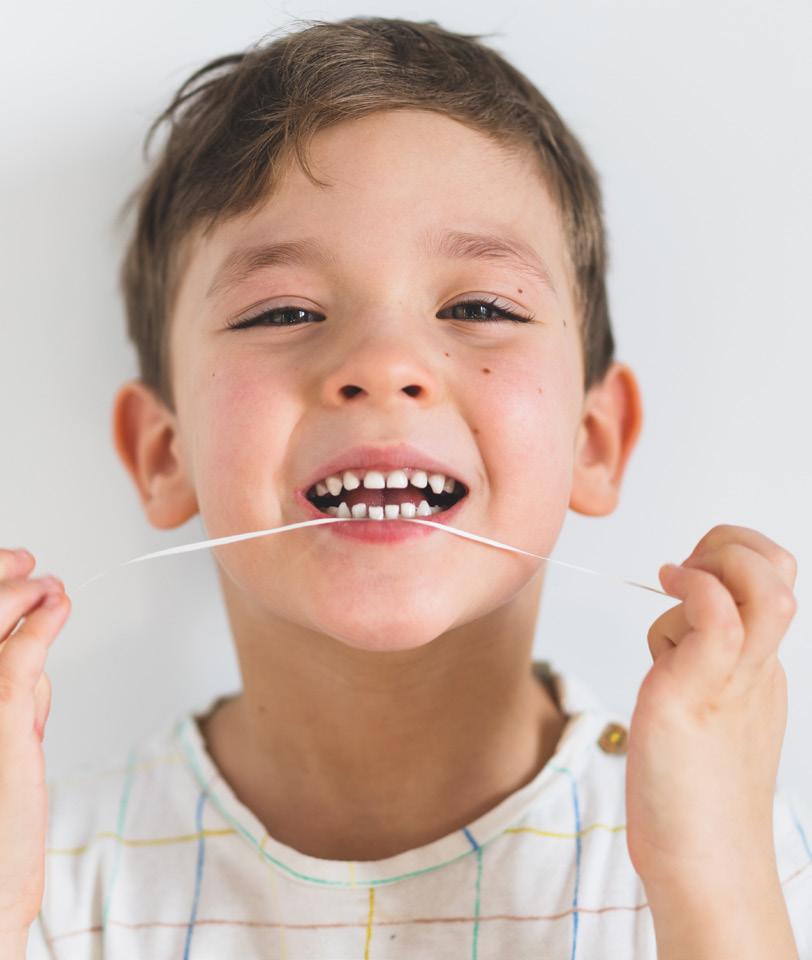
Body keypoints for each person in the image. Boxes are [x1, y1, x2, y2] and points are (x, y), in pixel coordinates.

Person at [1, 16, 809, 959]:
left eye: (477, 306)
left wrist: (712, 880)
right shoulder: (41, 875)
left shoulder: (731, 856)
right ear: (163, 455)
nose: (384, 365)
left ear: (592, 441)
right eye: (284, 312)